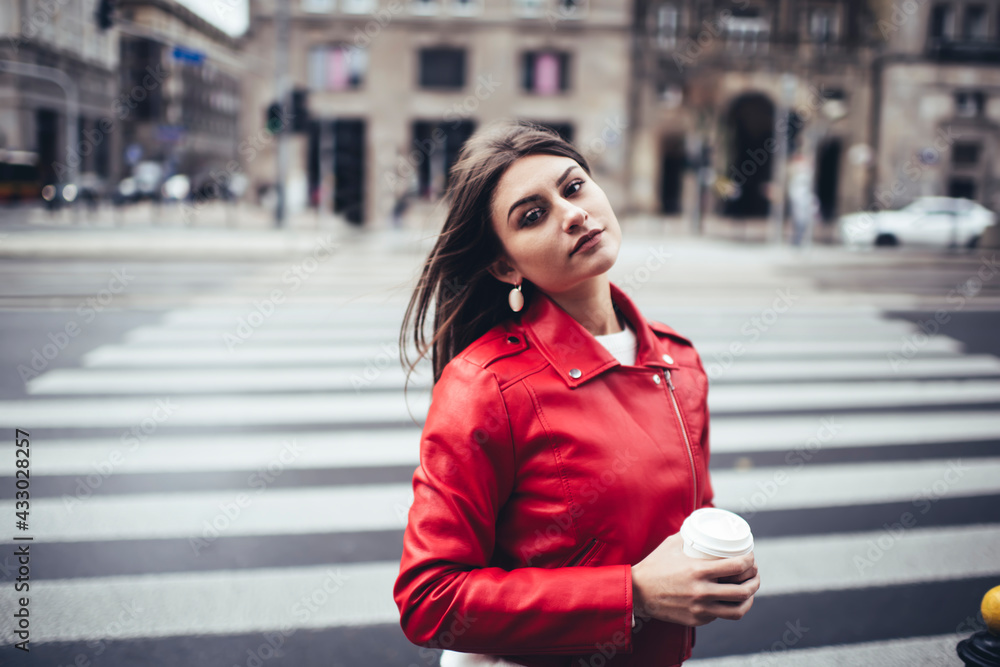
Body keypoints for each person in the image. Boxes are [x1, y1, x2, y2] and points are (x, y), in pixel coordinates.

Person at [393, 120, 760, 667]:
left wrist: (714, 569)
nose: (573, 214)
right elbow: (429, 600)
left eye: (574, 186)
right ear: (504, 264)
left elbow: (685, 523)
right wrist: (631, 593)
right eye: (533, 215)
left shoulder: (678, 361)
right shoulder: (485, 385)